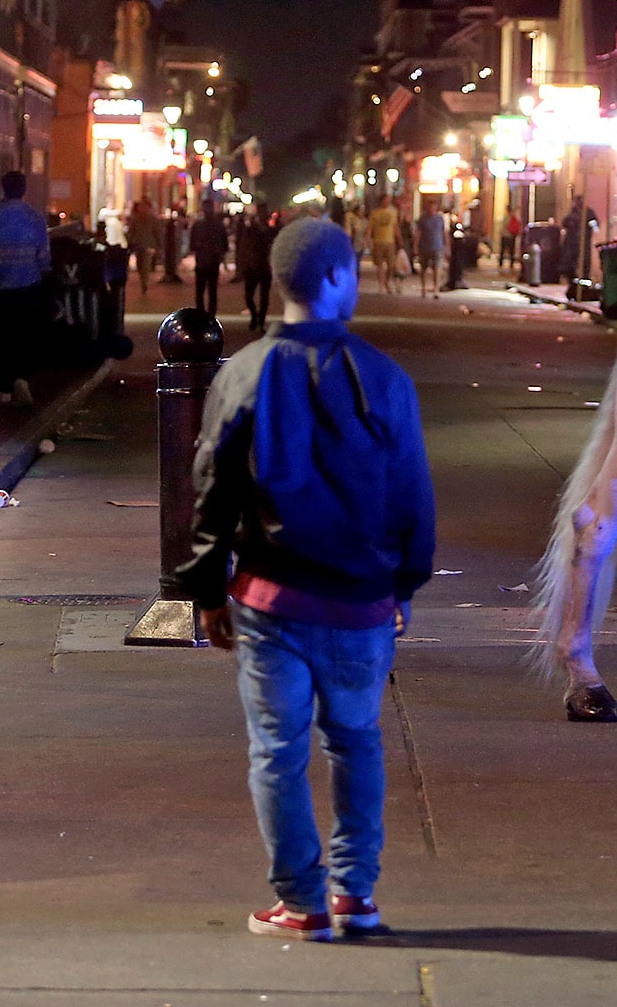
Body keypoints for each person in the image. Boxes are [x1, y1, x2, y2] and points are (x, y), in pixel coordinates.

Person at [179, 216, 436, 942]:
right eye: (351, 269)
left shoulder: (243, 373)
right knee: (355, 741)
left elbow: (210, 493)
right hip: (359, 602)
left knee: (278, 749)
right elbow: (412, 497)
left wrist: (206, 591)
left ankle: (301, 901)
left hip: (270, 600)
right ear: (330, 278)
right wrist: (403, 589)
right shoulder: (383, 377)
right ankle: (355, 893)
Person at [0, 170, 53, 406]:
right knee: (25, 335)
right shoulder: (35, 218)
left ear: (2, 188)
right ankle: (22, 376)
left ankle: (3, 387)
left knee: (0, 336)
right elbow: (44, 258)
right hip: (29, 285)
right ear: (24, 189)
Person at [236, 200, 276, 331]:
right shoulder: (251, 228)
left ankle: (260, 321)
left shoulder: (271, 229)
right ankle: (255, 315)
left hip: (265, 266)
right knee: (249, 296)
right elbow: (245, 246)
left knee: (264, 296)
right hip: (252, 266)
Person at [190, 199, 229, 318]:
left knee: (204, 292)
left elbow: (192, 245)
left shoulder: (200, 225)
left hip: (207, 261)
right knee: (210, 292)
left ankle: (204, 316)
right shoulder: (216, 225)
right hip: (209, 261)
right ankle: (209, 316)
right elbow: (224, 245)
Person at [127, 199, 165, 296]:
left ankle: (145, 283)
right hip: (139, 246)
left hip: (148, 246)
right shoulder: (136, 219)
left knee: (145, 266)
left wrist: (159, 246)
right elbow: (131, 232)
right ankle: (144, 281)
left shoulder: (152, 219)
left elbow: (158, 233)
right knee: (140, 265)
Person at [415, 198, 447, 296]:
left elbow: (444, 232)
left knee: (437, 268)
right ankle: (423, 287)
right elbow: (418, 233)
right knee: (423, 269)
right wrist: (415, 245)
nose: (431, 209)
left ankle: (436, 288)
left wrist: (447, 245)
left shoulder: (439, 218)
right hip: (424, 246)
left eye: (433, 207)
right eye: (429, 207)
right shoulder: (423, 218)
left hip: (437, 246)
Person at [368, 193, 399, 294]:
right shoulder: (375, 213)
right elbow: (370, 228)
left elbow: (395, 226)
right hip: (378, 241)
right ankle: (381, 285)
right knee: (380, 265)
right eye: (386, 200)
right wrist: (367, 239)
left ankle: (387, 281)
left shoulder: (393, 211)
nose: (387, 201)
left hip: (390, 241)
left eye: (389, 200)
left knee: (391, 265)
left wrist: (399, 239)